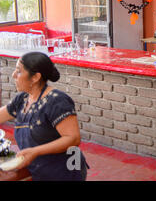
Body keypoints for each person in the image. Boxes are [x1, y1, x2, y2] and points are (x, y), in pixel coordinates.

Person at [0, 52, 89, 181]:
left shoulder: (57, 101)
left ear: (35, 77)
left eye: (19, 71)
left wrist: (35, 151)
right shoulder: (23, 98)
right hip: (39, 168)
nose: (14, 75)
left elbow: (73, 139)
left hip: (65, 170)